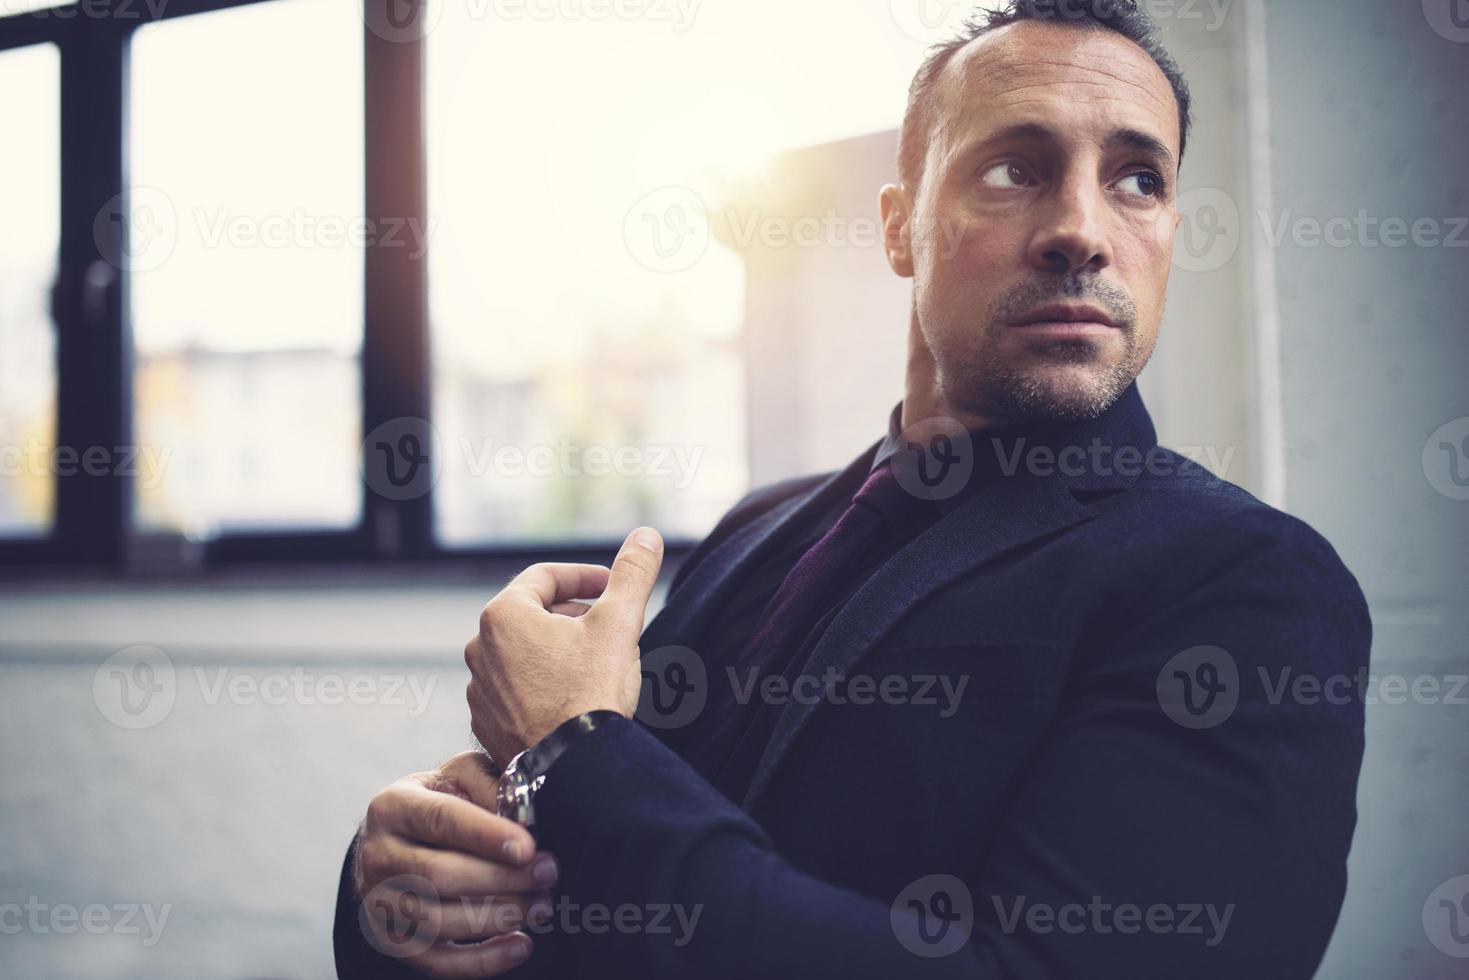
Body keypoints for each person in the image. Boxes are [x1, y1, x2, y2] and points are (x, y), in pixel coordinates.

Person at [334, 2, 1371, 977]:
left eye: (1137, 179)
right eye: (1015, 167)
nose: (1081, 229)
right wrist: (402, 889)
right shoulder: (755, 528)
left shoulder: (1243, 586)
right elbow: (592, 885)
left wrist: (571, 750)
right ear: (896, 227)